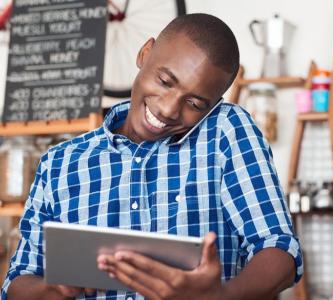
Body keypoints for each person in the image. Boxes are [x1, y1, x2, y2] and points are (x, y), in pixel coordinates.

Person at [1, 13, 302, 300]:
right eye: (165, 82)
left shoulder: (225, 130)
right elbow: (18, 283)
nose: (170, 109)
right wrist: (58, 289)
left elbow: (279, 250)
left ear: (213, 105)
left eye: (195, 103)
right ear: (145, 54)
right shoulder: (60, 162)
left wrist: (219, 296)